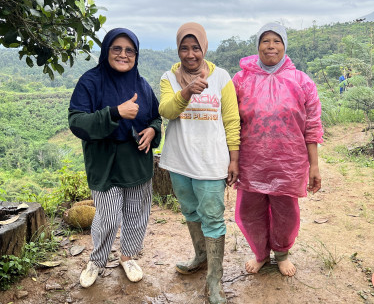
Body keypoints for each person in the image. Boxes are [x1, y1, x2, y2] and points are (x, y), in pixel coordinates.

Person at [68, 28, 162, 288]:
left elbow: (155, 116)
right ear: (107, 51)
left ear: (136, 55)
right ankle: (97, 261)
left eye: (129, 50)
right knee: (107, 216)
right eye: (117, 49)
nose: (123, 55)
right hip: (105, 163)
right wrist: (114, 112)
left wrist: (153, 129)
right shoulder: (91, 82)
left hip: (137, 161)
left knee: (136, 213)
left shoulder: (141, 84)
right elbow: (77, 122)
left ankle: (128, 256)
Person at [232, 22, 323, 277]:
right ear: (258, 45)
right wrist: (233, 161)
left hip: (289, 162)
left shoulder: (302, 81)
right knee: (249, 210)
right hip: (251, 161)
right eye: (265, 41)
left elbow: (313, 126)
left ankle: (281, 253)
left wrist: (314, 166)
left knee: (286, 211)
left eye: (277, 41)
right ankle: (261, 253)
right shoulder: (241, 79)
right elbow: (230, 122)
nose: (271, 46)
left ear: (284, 46)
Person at [159, 22, 240, 304]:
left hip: (211, 163)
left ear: (204, 48)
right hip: (180, 162)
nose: (190, 54)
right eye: (184, 48)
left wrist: (235, 159)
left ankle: (215, 280)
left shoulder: (222, 78)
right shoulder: (168, 78)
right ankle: (201, 256)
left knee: (213, 219)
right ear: (178, 49)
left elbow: (231, 121)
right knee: (191, 211)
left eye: (195, 47)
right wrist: (186, 91)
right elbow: (166, 110)